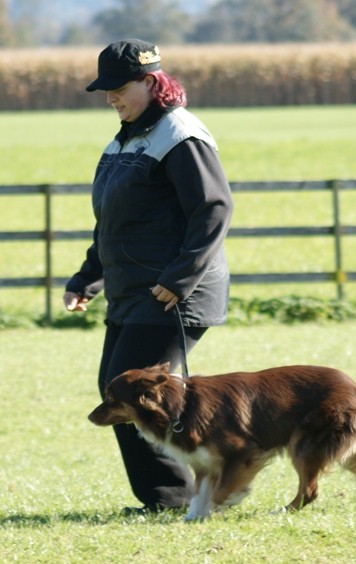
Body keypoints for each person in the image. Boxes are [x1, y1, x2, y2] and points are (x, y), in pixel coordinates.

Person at [63, 38, 234, 513]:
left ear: (150, 81)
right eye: (106, 91)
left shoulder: (180, 135)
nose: (111, 98)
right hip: (133, 290)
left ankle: (176, 496)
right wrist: (87, 279)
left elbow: (213, 208)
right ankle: (175, 495)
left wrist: (180, 279)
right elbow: (115, 223)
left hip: (171, 292)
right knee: (117, 387)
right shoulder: (127, 138)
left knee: (131, 393)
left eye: (120, 89)